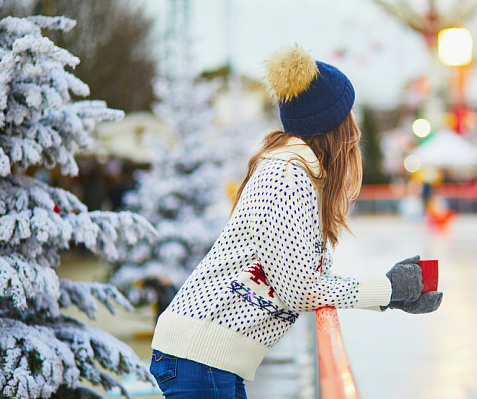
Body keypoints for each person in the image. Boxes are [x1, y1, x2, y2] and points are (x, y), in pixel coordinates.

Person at [148, 46, 443, 398]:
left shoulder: (299, 174)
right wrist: (389, 287)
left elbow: (306, 277)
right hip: (200, 356)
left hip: (207, 358)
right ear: (336, 126)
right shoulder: (288, 176)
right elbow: (301, 290)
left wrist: (390, 297)